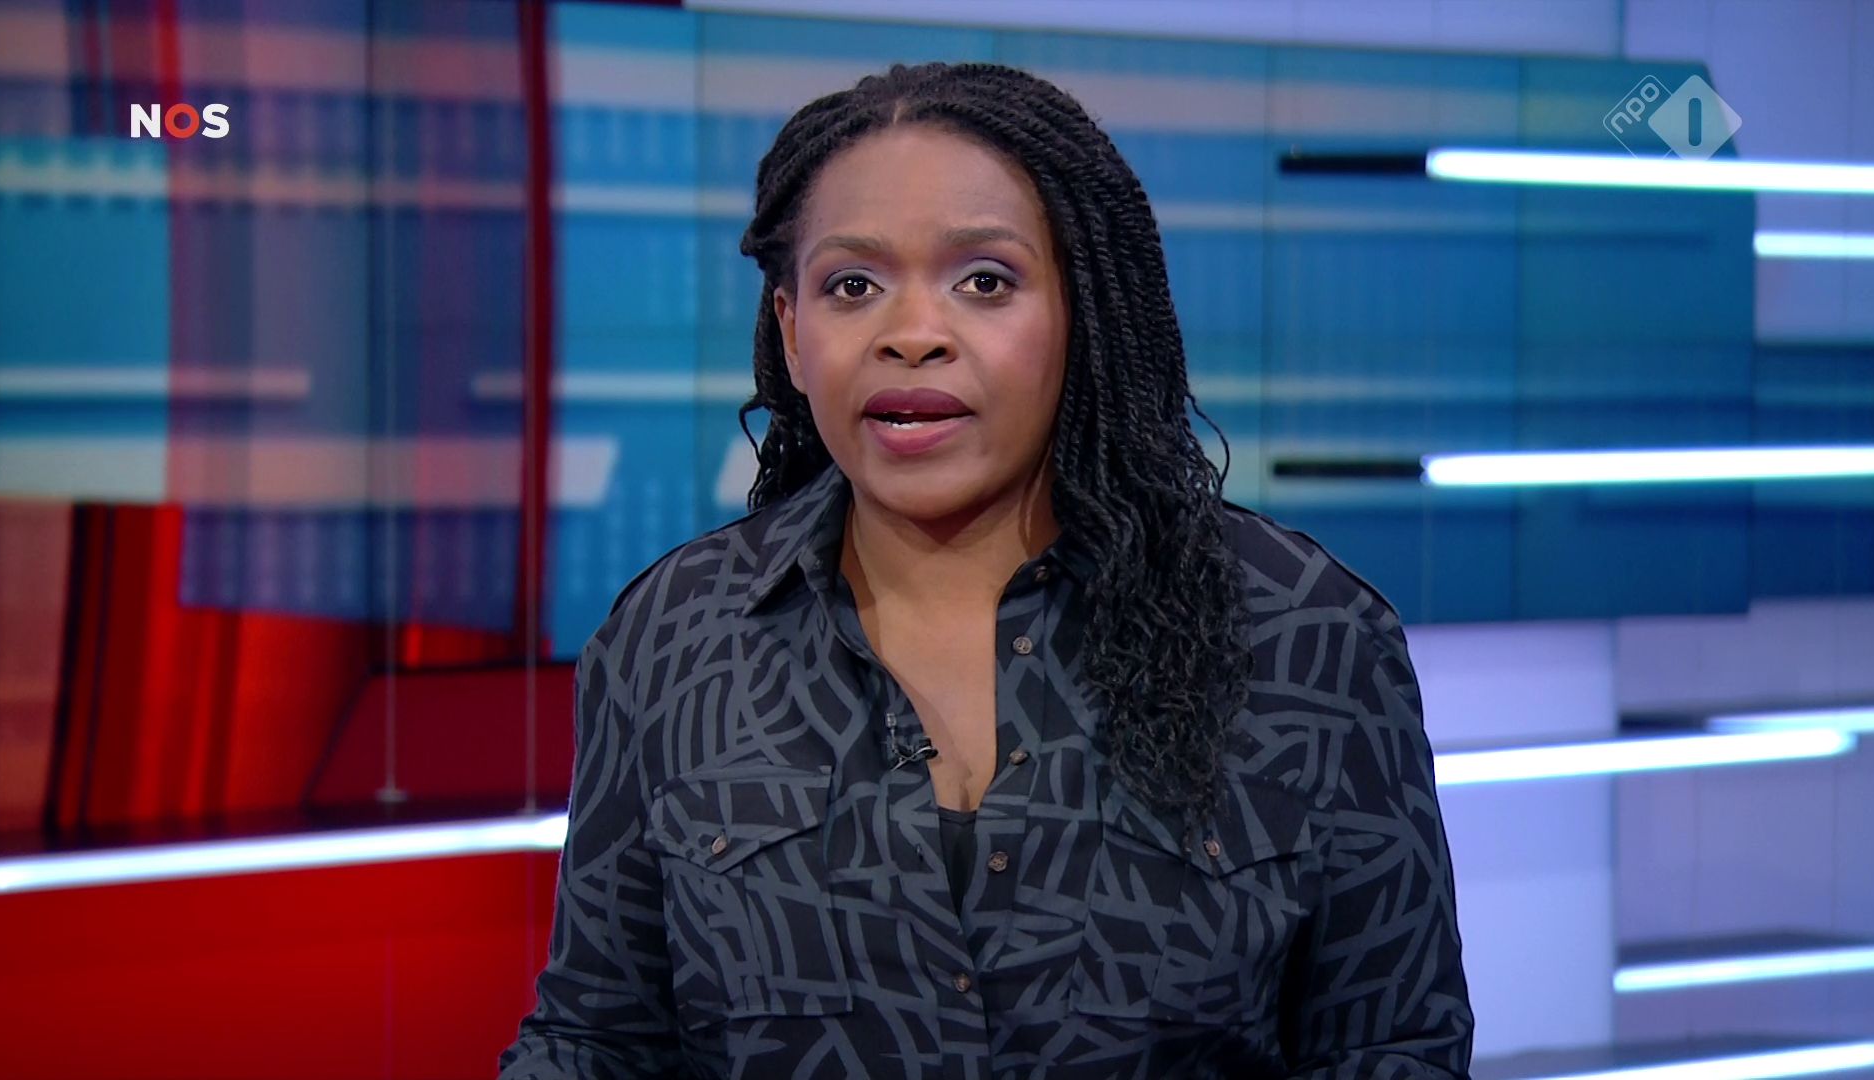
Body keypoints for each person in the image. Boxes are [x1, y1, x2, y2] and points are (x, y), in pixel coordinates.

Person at [499, 60, 1473, 1079]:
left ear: (1083, 312)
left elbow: (1393, 1046)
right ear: (790, 330)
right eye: (852, 286)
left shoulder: (1306, 634)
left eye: (985, 282)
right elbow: (598, 1040)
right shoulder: (670, 638)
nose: (912, 336)